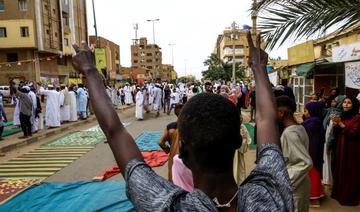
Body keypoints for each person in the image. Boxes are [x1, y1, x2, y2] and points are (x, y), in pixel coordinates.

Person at [71, 33, 293, 211]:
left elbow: (115, 132)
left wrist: (90, 71)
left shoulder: (164, 204)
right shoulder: (271, 193)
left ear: (183, 151)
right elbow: (266, 119)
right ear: (238, 140)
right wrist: (258, 67)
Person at [277, 95, 312, 212]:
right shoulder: (299, 127)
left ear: (281, 112)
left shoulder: (289, 133)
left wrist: (284, 184)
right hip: (300, 184)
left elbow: (304, 163)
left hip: (295, 188)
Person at [331, 96, 360, 206]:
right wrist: (335, 124)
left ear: (354, 105)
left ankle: (348, 197)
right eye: (344, 102)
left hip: (352, 149)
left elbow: (353, 133)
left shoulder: (357, 117)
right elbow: (338, 132)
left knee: (350, 172)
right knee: (341, 169)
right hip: (342, 147)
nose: (345, 105)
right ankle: (339, 194)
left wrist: (340, 124)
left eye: (349, 103)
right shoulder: (343, 115)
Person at [302, 101, 325, 207]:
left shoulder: (313, 123)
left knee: (313, 175)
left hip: (312, 153)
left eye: (306, 110)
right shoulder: (312, 121)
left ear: (312, 111)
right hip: (312, 152)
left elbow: (312, 141)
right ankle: (317, 195)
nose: (304, 112)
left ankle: (315, 199)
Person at [158, 104, 183, 181]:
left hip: (173, 156)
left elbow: (160, 142)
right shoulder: (189, 126)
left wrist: (169, 150)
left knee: (172, 177)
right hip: (185, 157)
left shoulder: (169, 127)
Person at [233, 114, 251, 185]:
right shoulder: (230, 127)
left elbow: (247, 141)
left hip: (239, 155)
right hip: (231, 156)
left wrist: (242, 140)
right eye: (239, 118)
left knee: (240, 172)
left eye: (241, 118)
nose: (241, 119)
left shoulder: (243, 127)